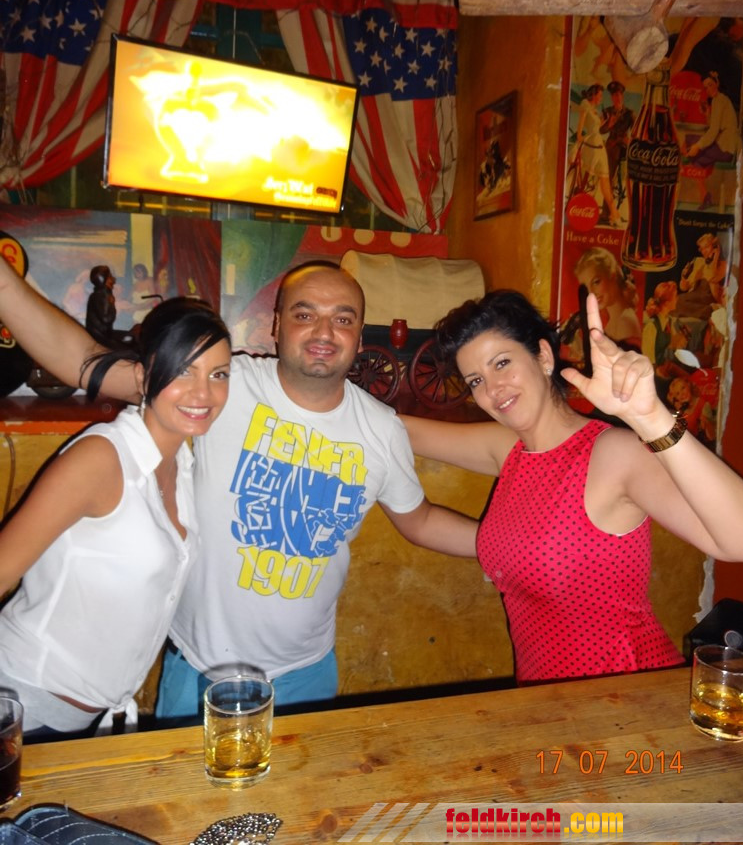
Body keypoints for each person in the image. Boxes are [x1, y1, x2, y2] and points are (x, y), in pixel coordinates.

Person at [0, 259, 477, 719]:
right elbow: (87, 363)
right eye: (305, 315)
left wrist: (505, 545)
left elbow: (421, 521)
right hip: (195, 668)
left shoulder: (382, 431)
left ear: (360, 334)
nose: (323, 332)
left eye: (343, 319)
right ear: (277, 325)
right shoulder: (222, 385)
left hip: (303, 674)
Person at [402, 289, 743, 685]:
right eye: (476, 380)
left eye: (502, 363)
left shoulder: (612, 453)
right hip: (546, 701)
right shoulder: (510, 449)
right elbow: (402, 432)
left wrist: (652, 418)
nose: (493, 389)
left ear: (543, 356)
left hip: (627, 699)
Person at [0, 297, 232, 740]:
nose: (203, 393)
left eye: (218, 374)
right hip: (23, 705)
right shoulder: (102, 459)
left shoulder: (182, 464)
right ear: (143, 377)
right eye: (184, 371)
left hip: (88, 719)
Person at [683, 71, 739, 210]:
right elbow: (716, 127)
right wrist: (708, 114)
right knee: (696, 159)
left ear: (717, 83)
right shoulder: (718, 100)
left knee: (690, 140)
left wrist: (697, 146)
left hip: (726, 149)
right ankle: (705, 197)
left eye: (710, 84)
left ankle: (684, 159)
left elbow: (713, 131)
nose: (708, 89)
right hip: (723, 147)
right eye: (705, 87)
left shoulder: (720, 100)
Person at [570, 83, 621, 226]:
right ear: (593, 95)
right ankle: (580, 209)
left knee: (605, 182)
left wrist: (606, 122)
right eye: (599, 95)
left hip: (600, 148)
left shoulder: (594, 110)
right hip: (591, 147)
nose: (601, 98)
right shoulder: (585, 105)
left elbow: (596, 128)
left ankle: (613, 213)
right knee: (587, 182)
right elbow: (581, 126)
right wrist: (580, 137)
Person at [574, 246, 640, 349]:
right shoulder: (613, 323)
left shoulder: (625, 321)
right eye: (586, 288)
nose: (591, 293)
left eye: (596, 282)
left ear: (612, 276)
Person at [676, 232, 728, 321]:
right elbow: (684, 287)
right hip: (695, 293)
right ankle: (706, 311)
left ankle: (708, 311)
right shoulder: (698, 261)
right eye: (702, 248)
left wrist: (715, 258)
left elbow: (712, 277)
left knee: (680, 302)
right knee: (677, 300)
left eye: (706, 247)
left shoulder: (723, 265)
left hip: (708, 295)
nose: (704, 251)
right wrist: (684, 279)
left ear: (715, 247)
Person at [599, 80, 633, 208]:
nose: (616, 98)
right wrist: (610, 124)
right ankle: (607, 210)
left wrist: (629, 139)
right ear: (611, 97)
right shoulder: (607, 112)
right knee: (608, 177)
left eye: (618, 95)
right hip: (612, 147)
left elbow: (636, 131)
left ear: (622, 96)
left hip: (624, 146)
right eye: (614, 95)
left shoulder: (629, 113)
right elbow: (601, 130)